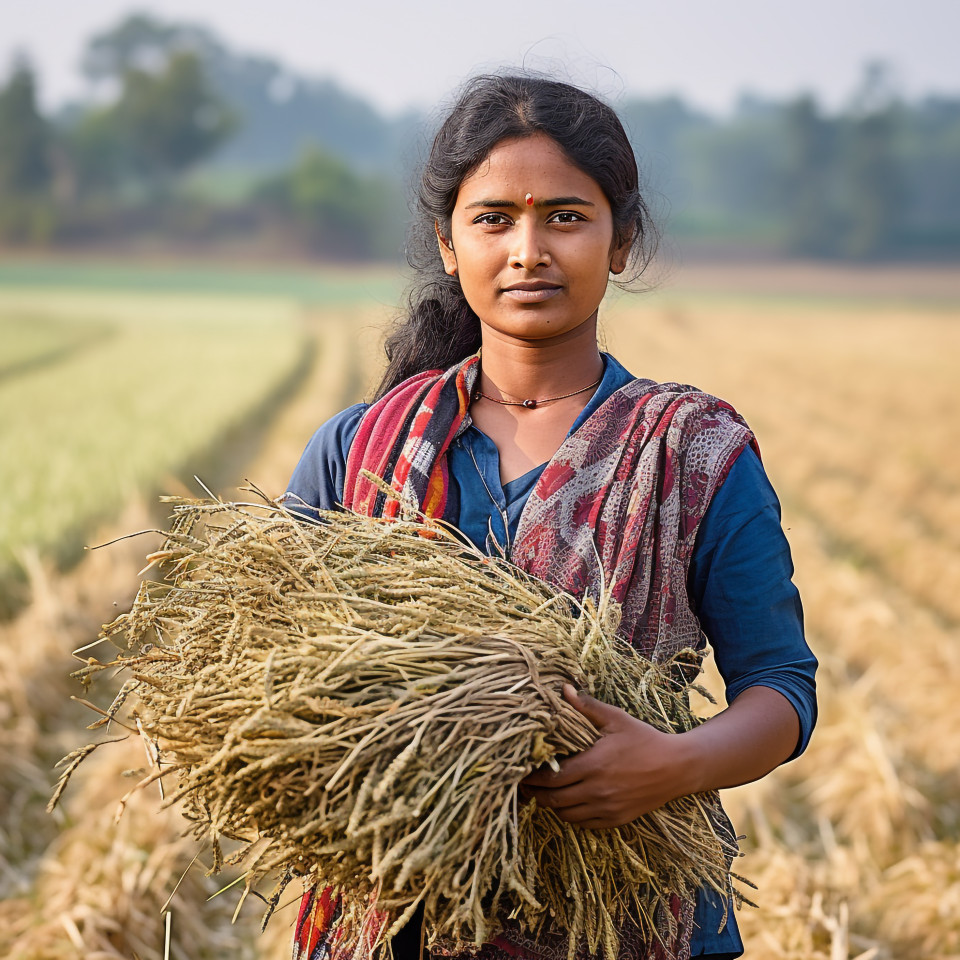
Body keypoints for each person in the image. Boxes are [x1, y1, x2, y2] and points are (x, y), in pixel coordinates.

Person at [285, 73, 817, 960]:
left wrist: (669, 765)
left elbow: (782, 690)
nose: (528, 249)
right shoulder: (359, 451)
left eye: (566, 216)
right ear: (447, 245)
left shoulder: (691, 454)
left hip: (637, 913)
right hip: (403, 915)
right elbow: (279, 673)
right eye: (494, 218)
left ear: (621, 242)